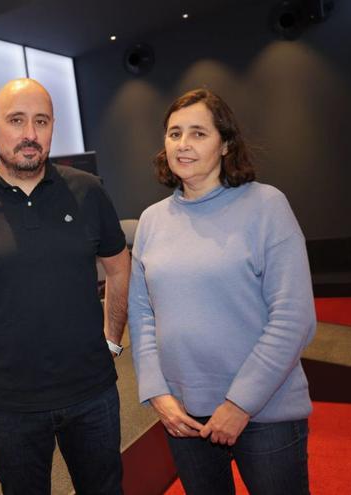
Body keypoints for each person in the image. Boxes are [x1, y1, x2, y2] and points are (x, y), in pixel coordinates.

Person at [0, 78, 130, 494]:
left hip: (91, 392)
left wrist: (111, 342)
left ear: (54, 126)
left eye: (41, 121)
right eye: (16, 121)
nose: (30, 135)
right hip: (7, 406)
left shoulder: (89, 192)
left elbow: (120, 268)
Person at [128, 88, 316, 495]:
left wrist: (240, 404)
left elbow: (294, 317)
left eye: (198, 133)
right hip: (183, 416)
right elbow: (142, 316)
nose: (183, 144)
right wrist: (157, 392)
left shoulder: (267, 206)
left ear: (225, 143)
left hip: (265, 412)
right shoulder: (151, 221)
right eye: (174, 133)